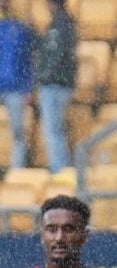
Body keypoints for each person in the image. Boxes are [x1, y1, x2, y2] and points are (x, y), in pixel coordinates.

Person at [35, 0, 76, 173]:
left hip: (55, 85)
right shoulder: (64, 23)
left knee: (53, 129)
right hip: (60, 83)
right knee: (55, 128)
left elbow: (56, 55)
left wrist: (44, 76)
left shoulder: (60, 25)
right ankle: (60, 166)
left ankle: (59, 168)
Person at [0, 0, 35, 169]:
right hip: (8, 86)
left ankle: (17, 169)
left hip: (15, 88)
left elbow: (29, 60)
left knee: (17, 133)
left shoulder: (21, 25)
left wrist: (27, 87)